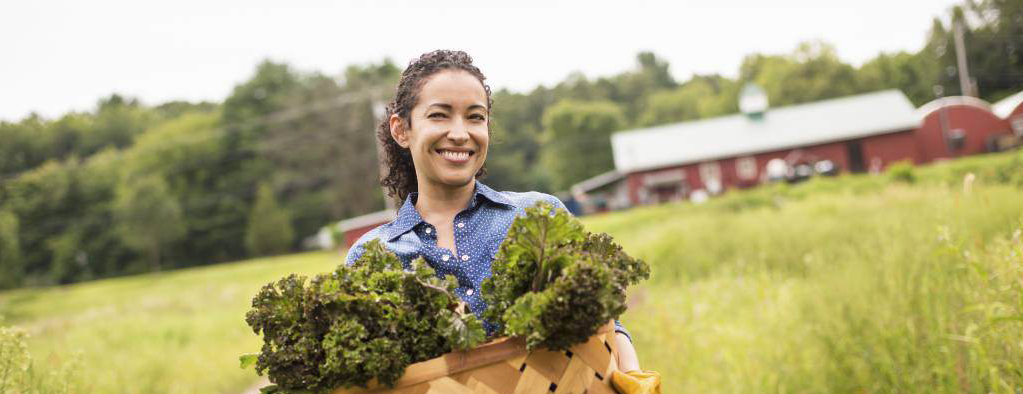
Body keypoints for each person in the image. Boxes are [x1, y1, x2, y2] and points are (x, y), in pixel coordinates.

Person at [344, 50, 659, 392]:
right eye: (439, 115)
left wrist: (632, 375)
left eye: (475, 117)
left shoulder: (538, 216)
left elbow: (605, 325)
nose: (460, 133)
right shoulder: (373, 255)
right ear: (401, 129)